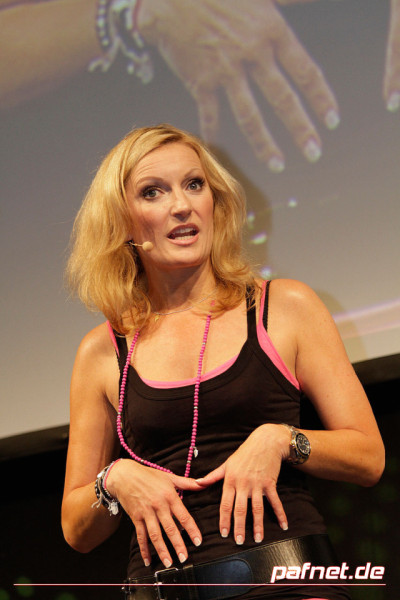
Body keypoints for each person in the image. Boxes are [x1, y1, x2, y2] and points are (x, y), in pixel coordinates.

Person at [61, 123, 385, 600]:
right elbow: (76, 528)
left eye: (194, 184)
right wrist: (113, 480)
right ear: (122, 222)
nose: (182, 205)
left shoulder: (285, 307)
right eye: (153, 192)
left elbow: (368, 457)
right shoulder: (102, 350)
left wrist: (281, 440)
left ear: (216, 201)